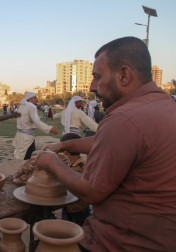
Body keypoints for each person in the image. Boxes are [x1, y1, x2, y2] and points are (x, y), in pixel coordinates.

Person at [32, 37, 176, 251]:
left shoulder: (124, 118)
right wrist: (64, 146)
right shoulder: (165, 105)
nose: (91, 86)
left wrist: (51, 162)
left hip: (121, 242)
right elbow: (112, 145)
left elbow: (91, 191)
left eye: (97, 77)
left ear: (124, 75)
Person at [12, 91, 59, 160]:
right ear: (29, 99)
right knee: (27, 158)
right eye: (34, 98)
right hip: (27, 138)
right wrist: (50, 129)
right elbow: (37, 121)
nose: (36, 100)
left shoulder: (21, 107)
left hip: (20, 136)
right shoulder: (31, 107)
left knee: (20, 156)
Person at [58, 133, 90, 226]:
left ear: (66, 152)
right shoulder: (68, 161)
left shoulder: (82, 165)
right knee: (67, 226)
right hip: (67, 205)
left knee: (79, 228)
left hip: (78, 207)